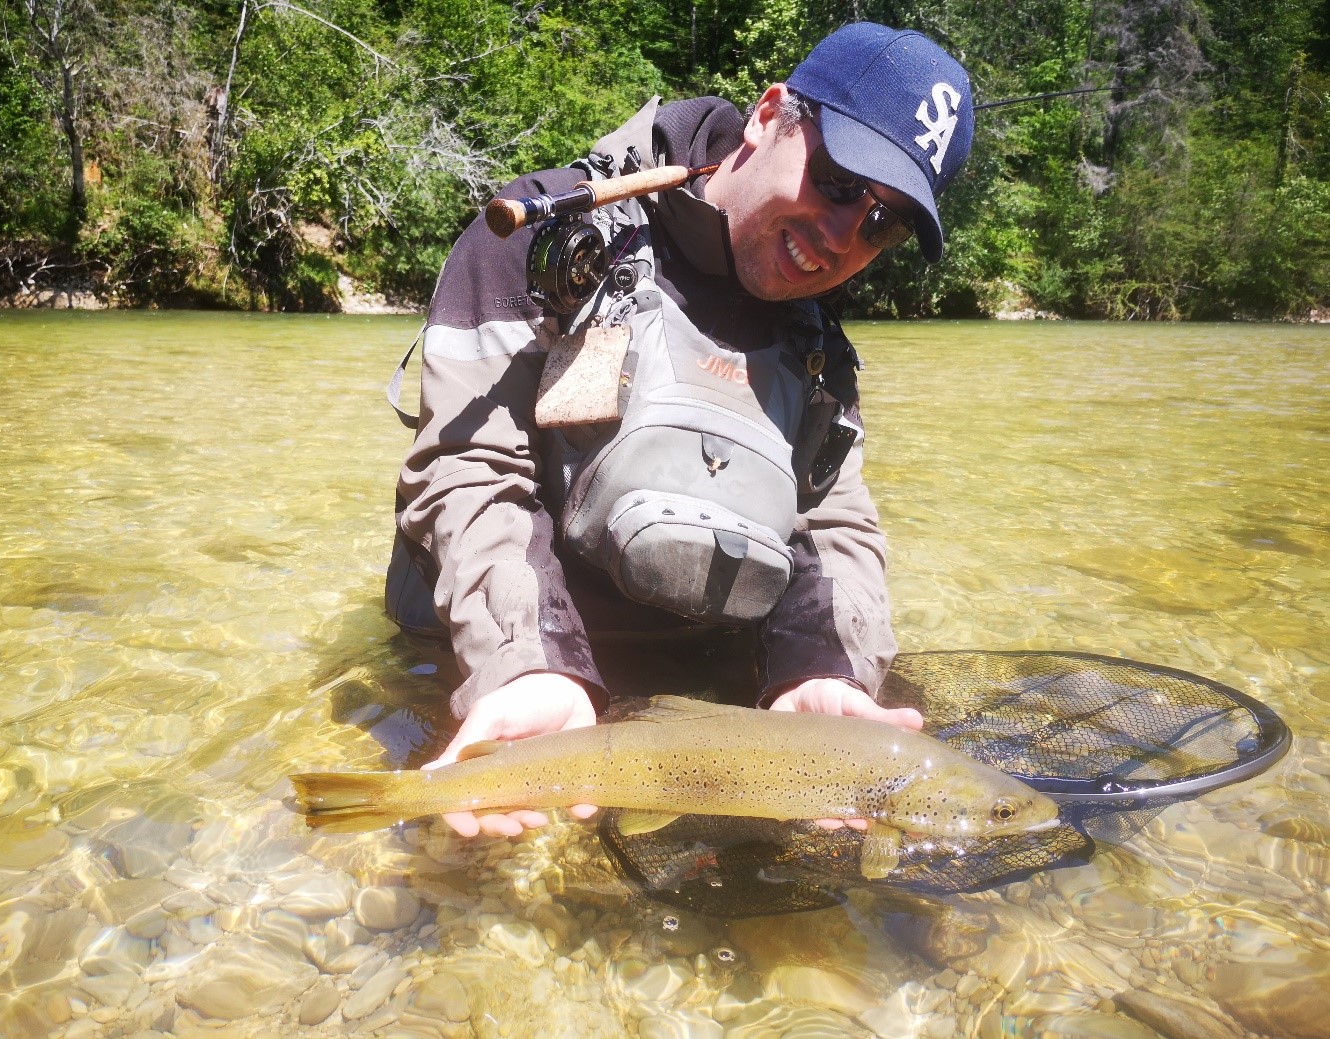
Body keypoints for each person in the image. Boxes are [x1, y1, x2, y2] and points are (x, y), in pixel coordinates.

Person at [384, 22, 975, 837]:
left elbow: (833, 526)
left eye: (885, 224)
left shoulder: (818, 354)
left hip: (687, 697)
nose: (845, 235)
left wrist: (821, 674)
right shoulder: (545, 242)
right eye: (841, 181)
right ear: (770, 115)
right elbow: (467, 469)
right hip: (511, 660)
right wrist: (523, 666)